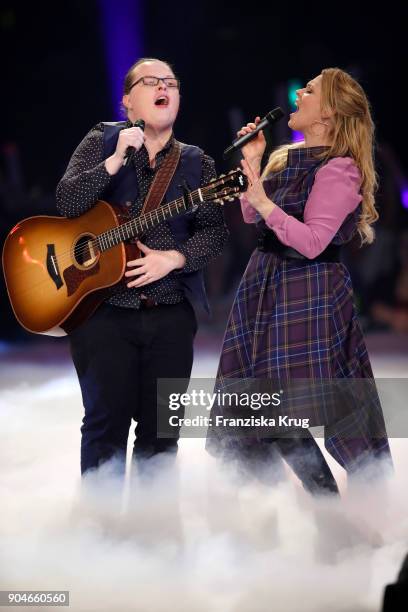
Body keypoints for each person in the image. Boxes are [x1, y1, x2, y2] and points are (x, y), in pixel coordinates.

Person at [206, 68, 392, 495]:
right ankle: (289, 513)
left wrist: (264, 204)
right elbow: (253, 215)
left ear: (328, 114)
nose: (298, 94)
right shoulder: (286, 157)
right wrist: (252, 161)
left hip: (307, 290)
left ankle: (334, 513)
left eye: (308, 91)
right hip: (266, 283)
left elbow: (311, 241)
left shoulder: (340, 170)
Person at [56, 57, 228, 476]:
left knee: (161, 434)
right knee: (104, 427)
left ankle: (153, 533)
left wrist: (176, 258)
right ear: (128, 102)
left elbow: (214, 232)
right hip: (102, 313)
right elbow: (67, 202)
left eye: (170, 82)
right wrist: (114, 160)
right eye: (150, 81)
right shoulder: (100, 140)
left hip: (169, 315)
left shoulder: (197, 163)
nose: (162, 87)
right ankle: (102, 533)